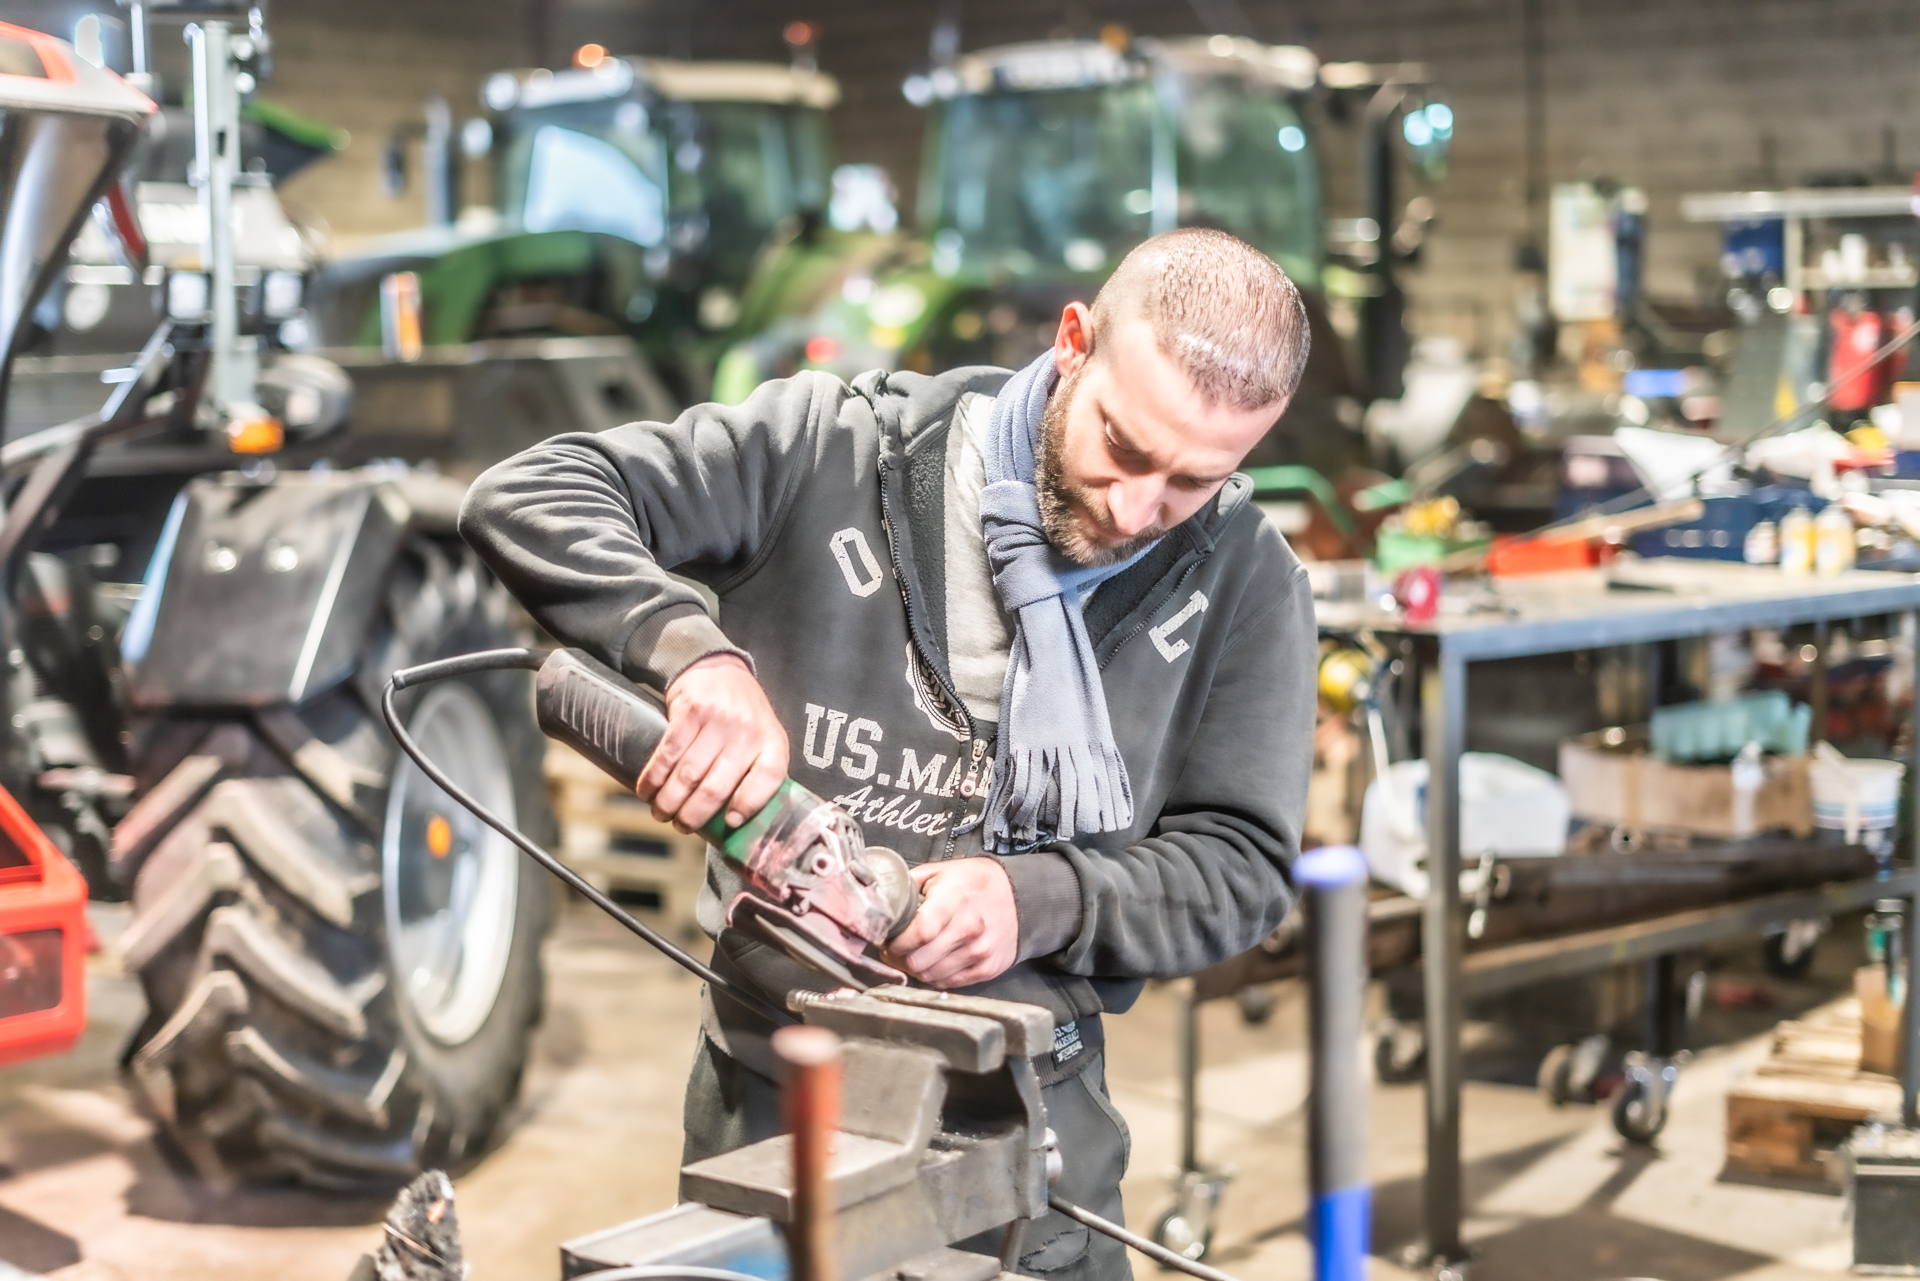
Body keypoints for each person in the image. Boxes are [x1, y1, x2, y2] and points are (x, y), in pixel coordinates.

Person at [459, 227, 1317, 1280]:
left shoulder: (1243, 579)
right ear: (1074, 344)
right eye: (1125, 447)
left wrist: (1032, 898)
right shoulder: (830, 452)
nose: (1135, 508)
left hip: (1029, 1117)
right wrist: (692, 656)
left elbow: (1239, 872)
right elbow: (534, 493)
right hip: (774, 1092)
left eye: (1193, 480)